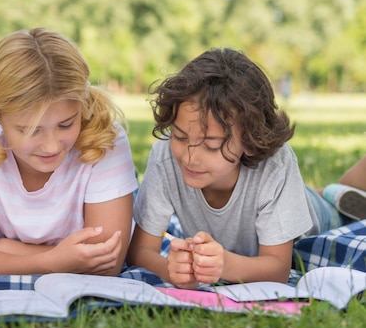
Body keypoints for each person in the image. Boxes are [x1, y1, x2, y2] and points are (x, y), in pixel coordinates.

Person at [127, 48, 346, 290]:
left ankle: (333, 194)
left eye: (211, 145)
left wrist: (225, 265)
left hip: (316, 216)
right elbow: (140, 251)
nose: (190, 157)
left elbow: (278, 270)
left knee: (338, 210)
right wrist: (169, 268)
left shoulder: (276, 165)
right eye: (179, 136)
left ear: (251, 140)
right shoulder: (164, 155)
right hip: (273, 205)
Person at [0, 27, 138, 276]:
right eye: (30, 131)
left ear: (82, 106)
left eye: (66, 124)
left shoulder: (103, 140)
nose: (51, 146)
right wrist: (55, 261)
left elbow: (106, 263)